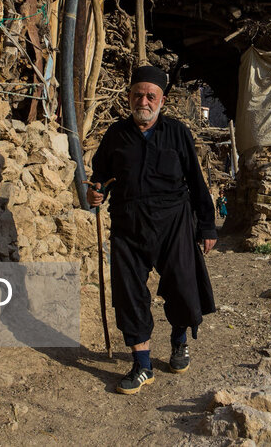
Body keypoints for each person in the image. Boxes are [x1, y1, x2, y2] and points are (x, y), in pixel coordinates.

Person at [88, 65, 217, 395]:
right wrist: (96, 191)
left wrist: (206, 225)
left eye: (150, 96)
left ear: (161, 99)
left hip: (173, 222)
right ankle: (142, 365)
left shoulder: (177, 133)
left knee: (181, 286)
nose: (143, 101)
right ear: (129, 97)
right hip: (128, 226)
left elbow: (196, 182)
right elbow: (100, 175)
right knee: (129, 294)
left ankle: (178, 341)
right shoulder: (117, 135)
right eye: (138, 95)